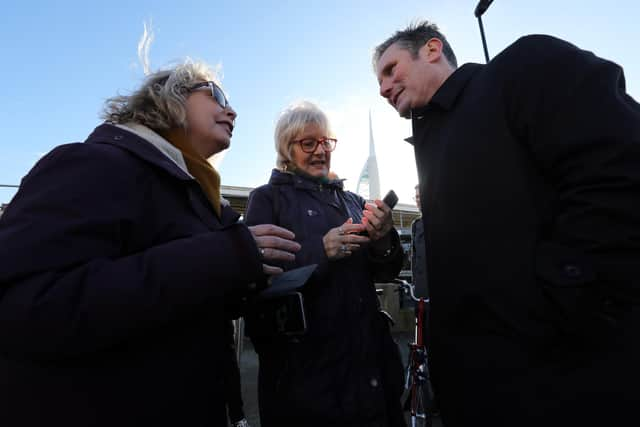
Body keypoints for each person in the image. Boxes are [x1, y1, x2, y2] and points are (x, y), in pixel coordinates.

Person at [0, 59, 300, 426]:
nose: (232, 110)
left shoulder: (202, 202)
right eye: (216, 94)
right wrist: (223, 256)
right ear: (168, 98)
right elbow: (23, 305)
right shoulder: (93, 163)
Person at [373, 21, 640, 426]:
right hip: (479, 396)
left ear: (431, 49)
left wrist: (565, 299)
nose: (383, 88)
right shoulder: (433, 148)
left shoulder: (521, 68)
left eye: (390, 69)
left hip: (566, 388)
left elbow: (620, 165)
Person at [244, 100, 406, 427]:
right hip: (306, 376)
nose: (320, 151)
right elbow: (254, 283)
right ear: (286, 149)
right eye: (308, 143)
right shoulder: (267, 199)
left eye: (325, 142)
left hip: (369, 366)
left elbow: (387, 271)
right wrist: (321, 252)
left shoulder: (352, 201)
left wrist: (383, 238)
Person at [410, 183, 427, 299]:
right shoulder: (416, 225)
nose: (418, 200)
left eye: (421, 196)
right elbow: (415, 258)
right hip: (420, 291)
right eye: (416, 197)